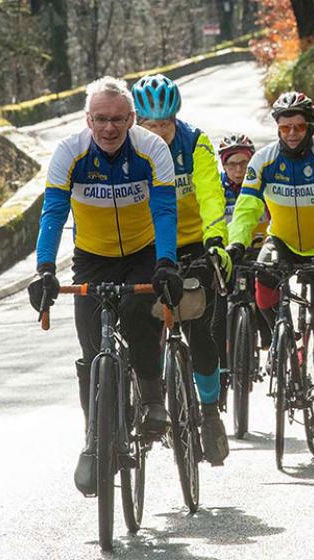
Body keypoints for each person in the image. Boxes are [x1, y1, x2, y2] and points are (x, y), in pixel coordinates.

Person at [27, 76, 183, 495]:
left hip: (143, 252)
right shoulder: (69, 153)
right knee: (90, 348)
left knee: (139, 318)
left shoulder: (152, 150)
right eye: (100, 119)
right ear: (88, 119)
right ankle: (95, 441)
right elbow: (53, 213)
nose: (109, 128)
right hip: (92, 258)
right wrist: (44, 268)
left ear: (132, 118)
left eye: (117, 119)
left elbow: (166, 210)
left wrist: (167, 263)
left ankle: (152, 398)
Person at [227, 91, 314, 438]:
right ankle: (287, 340)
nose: (291, 134)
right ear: (277, 128)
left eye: (297, 127)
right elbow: (248, 206)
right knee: (262, 289)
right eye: (284, 128)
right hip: (282, 242)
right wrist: (237, 241)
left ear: (309, 127)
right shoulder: (262, 161)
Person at [132, 73, 231, 466]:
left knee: (200, 328)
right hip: (148, 244)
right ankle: (149, 396)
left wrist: (216, 242)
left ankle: (209, 414)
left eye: (165, 124)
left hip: (192, 242)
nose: (157, 133)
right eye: (149, 125)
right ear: (138, 122)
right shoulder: (130, 147)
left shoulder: (196, 143)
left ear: (176, 119)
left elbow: (211, 195)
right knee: (141, 322)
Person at [217, 133, 272, 353]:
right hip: (229, 253)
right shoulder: (218, 188)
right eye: (232, 164)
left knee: (262, 297)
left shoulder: (263, 186)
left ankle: (268, 335)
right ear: (224, 165)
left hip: (259, 250)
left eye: (244, 163)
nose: (238, 170)